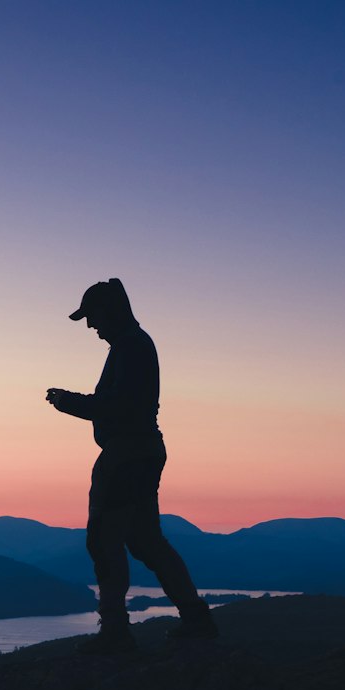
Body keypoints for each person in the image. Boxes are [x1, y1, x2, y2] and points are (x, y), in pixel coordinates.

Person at [46, 277, 217, 654]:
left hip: (126, 454)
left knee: (104, 540)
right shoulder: (134, 345)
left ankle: (115, 633)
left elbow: (117, 405)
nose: (91, 326)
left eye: (93, 316)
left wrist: (67, 402)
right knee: (146, 540)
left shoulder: (130, 347)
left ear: (112, 311)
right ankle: (196, 619)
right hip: (143, 451)